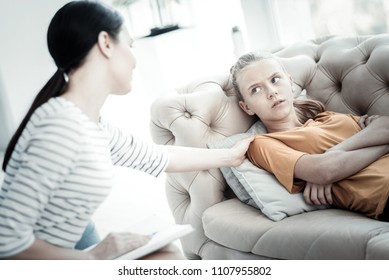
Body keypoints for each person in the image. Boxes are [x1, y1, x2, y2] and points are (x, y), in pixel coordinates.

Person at [0, 1, 253, 260]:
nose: (134, 59)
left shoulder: (89, 122)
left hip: (70, 246)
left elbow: (159, 156)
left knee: (165, 253)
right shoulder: (61, 125)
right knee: (168, 259)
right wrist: (96, 257)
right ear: (106, 43)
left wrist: (229, 156)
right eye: (130, 45)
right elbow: (6, 241)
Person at [230, 51, 389, 221]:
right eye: (256, 89)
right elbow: (324, 170)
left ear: (290, 83)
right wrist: (384, 144)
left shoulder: (328, 118)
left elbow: (385, 125)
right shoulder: (262, 144)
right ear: (247, 107)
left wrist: (332, 154)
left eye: (275, 80)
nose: (271, 92)